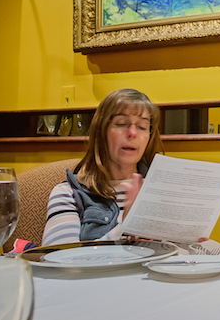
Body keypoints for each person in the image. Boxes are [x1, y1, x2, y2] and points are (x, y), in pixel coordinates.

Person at [41, 88, 164, 245]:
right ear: (101, 132)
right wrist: (125, 228)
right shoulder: (69, 193)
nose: (133, 133)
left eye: (142, 127)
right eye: (121, 123)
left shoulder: (162, 192)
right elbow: (58, 260)